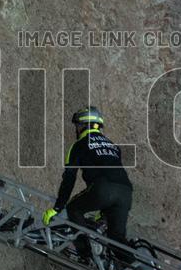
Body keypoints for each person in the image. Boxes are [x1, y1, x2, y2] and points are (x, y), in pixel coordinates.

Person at [43, 106, 133, 258]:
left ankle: (85, 254)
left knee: (73, 209)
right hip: (126, 192)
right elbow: (111, 171)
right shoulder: (113, 146)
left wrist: (58, 207)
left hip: (103, 189)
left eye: (77, 125)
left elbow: (69, 179)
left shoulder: (79, 145)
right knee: (117, 239)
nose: (76, 129)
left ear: (83, 125)